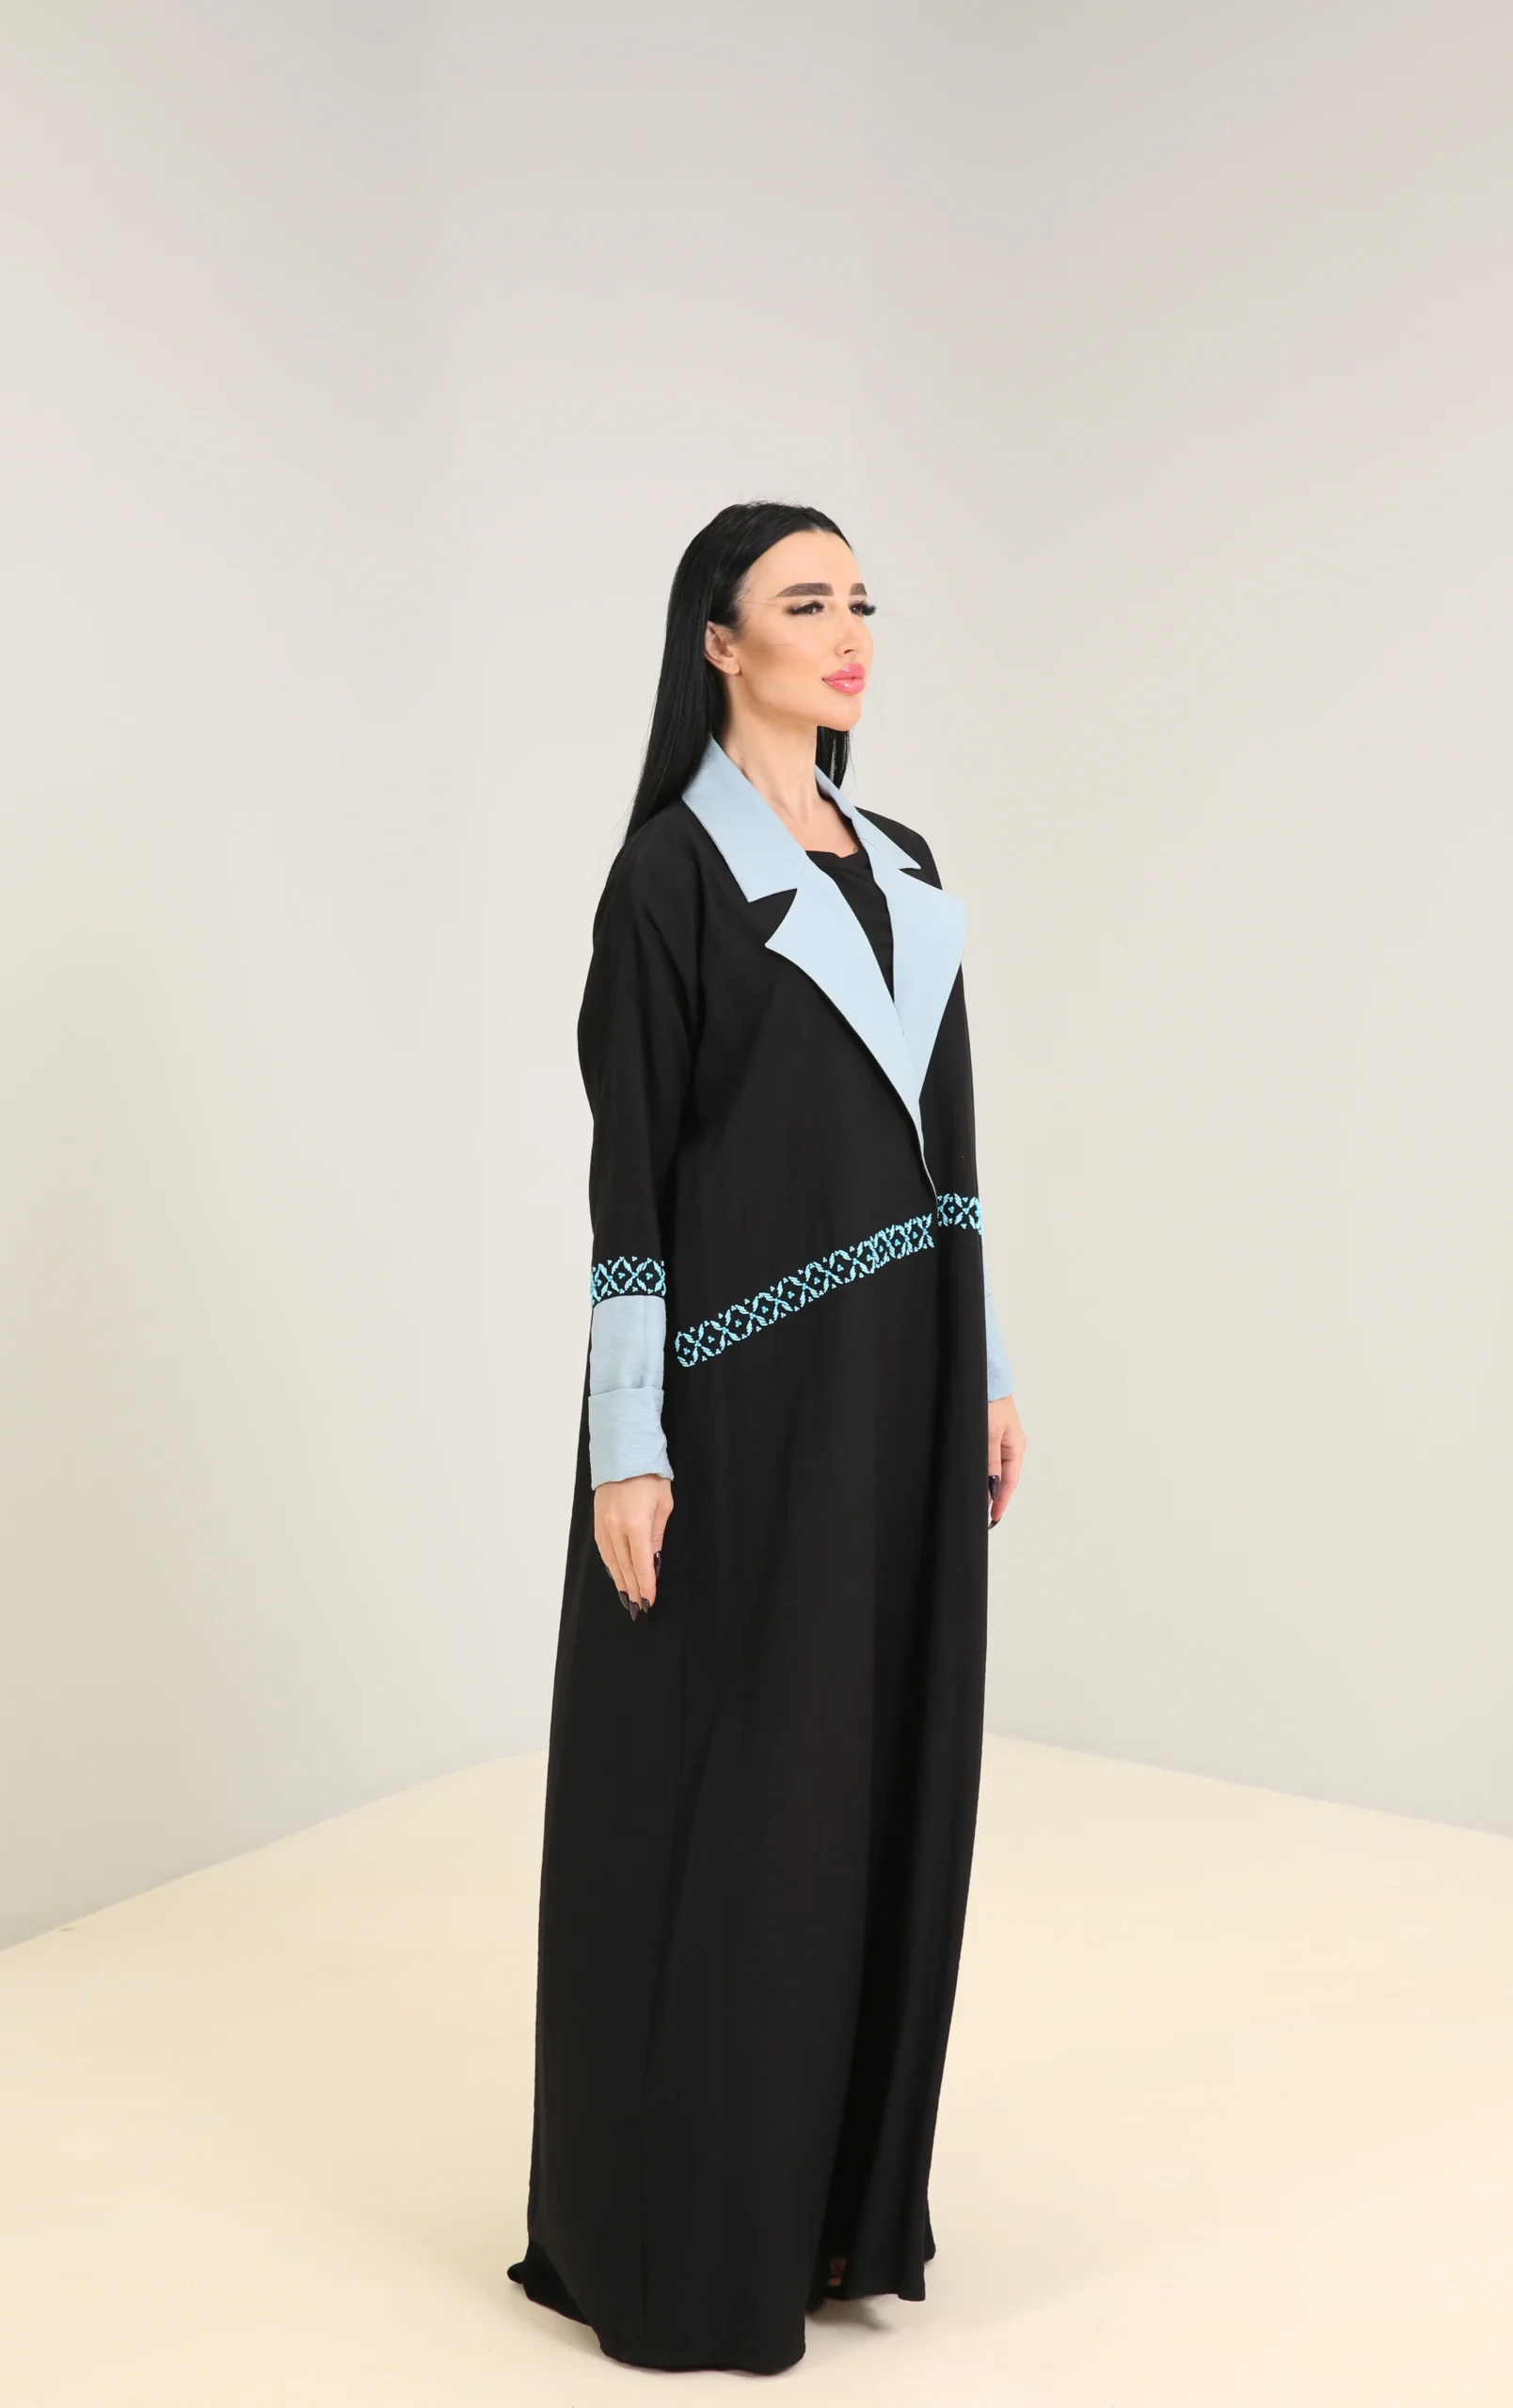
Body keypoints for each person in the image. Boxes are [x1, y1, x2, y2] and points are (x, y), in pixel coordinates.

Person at [508, 499, 1026, 2373]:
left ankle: (832, 2207)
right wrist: (626, 1442)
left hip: (906, 1390)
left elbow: (947, 1150)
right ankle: (686, 2226)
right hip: (745, 1399)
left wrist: (985, 1366)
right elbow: (628, 1183)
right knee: (745, 1803)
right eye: (806, 602)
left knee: (883, 1776)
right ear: (717, 641)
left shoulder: (909, 865)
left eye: (859, 600)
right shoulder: (665, 878)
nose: (848, 630)